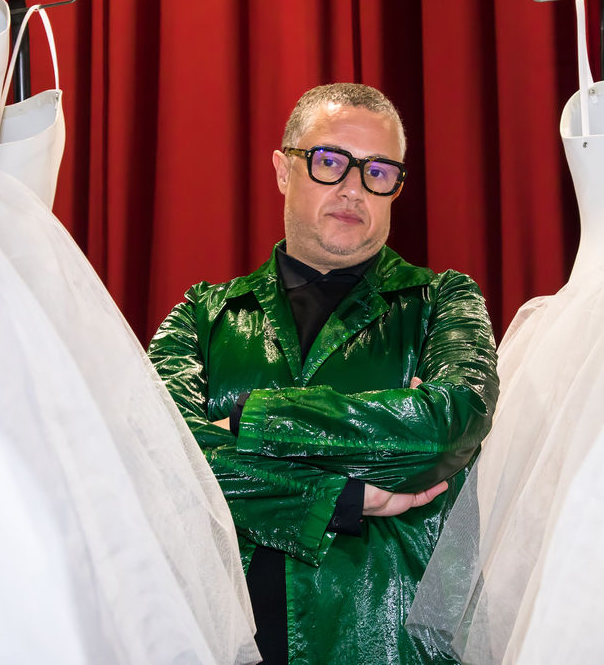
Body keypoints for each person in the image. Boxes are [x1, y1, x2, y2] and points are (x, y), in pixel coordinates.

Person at [149, 82, 499, 664]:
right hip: (216, 641)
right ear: (283, 170)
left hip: (388, 647)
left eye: (378, 171)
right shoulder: (203, 315)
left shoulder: (442, 301)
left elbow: (445, 428)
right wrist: (340, 497)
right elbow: (158, 459)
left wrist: (252, 419)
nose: (353, 188)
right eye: (330, 161)